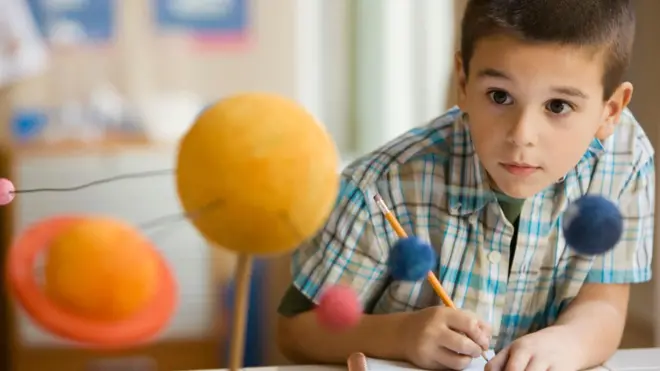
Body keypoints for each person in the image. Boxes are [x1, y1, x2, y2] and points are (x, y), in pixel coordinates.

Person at [276, 1, 654, 370]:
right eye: (499, 96)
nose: (522, 136)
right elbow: (296, 331)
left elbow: (604, 301)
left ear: (611, 111)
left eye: (557, 106)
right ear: (463, 81)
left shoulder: (624, 160)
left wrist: (571, 342)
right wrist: (401, 335)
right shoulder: (382, 187)